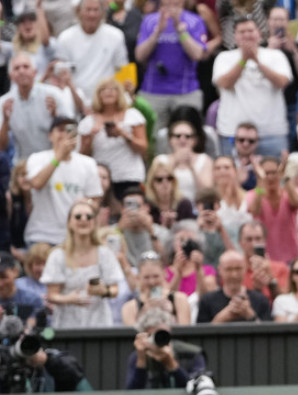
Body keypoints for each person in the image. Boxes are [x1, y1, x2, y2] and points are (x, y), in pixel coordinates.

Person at [134, 0, 209, 128]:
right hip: (153, 91)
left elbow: (197, 55)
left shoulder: (195, 21)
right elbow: (139, 56)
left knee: (187, 135)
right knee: (152, 140)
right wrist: (157, 33)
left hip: (186, 92)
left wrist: (180, 30)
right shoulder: (149, 21)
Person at [213, 16, 292, 155]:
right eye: (242, 32)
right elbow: (224, 83)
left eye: (250, 30)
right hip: (233, 132)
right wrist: (243, 60)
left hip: (271, 133)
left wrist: (257, 61)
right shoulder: (224, 57)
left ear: (259, 34)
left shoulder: (276, 55)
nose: (247, 35)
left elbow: (282, 82)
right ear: (235, 37)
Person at [41, 200, 124, 328]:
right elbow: (52, 295)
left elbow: (115, 290)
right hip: (67, 322)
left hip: (99, 321)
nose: (84, 219)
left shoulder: (105, 253)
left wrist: (104, 291)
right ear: (69, 223)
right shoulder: (57, 255)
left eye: (89, 216)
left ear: (94, 222)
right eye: (78, 216)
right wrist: (69, 299)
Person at [24, 118, 103, 247]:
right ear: (50, 136)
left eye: (70, 130)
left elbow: (95, 201)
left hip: (75, 237)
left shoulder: (88, 163)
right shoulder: (37, 158)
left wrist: (85, 203)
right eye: (60, 130)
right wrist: (59, 157)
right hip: (41, 236)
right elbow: (37, 183)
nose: (65, 135)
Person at [78, 78, 147, 195]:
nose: (108, 92)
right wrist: (91, 137)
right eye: (103, 89)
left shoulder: (132, 116)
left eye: (113, 89)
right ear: (97, 95)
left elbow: (143, 149)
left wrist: (124, 135)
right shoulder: (88, 123)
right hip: (100, 179)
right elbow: (82, 157)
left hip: (129, 176)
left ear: (120, 94)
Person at [0, 53, 72, 160]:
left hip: (54, 159)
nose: (21, 71)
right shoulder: (4, 103)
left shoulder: (54, 95)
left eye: (26, 66)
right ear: (11, 76)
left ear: (35, 72)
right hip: (24, 164)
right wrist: (6, 121)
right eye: (16, 68)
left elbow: (71, 132)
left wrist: (56, 116)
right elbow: (2, 146)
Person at [125, 308, 206, 389]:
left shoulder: (191, 355)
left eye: (162, 335)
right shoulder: (137, 357)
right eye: (151, 336)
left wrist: (172, 365)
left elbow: (196, 389)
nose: (157, 340)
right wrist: (141, 361)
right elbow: (132, 394)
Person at [196, 250, 273, 323]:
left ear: (245, 269)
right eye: (229, 269)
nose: (234, 275)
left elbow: (270, 334)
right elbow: (200, 334)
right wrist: (222, 317)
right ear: (220, 270)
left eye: (238, 269)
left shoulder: (260, 299)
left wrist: (250, 315)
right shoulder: (207, 300)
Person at [120, 252, 193, 327]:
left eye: (156, 276)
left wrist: (170, 313)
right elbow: (131, 336)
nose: (152, 282)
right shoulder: (129, 308)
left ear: (164, 274)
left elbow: (185, 332)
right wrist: (143, 313)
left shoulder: (179, 300)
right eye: (146, 277)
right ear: (139, 278)